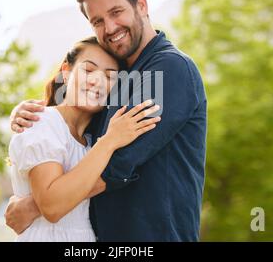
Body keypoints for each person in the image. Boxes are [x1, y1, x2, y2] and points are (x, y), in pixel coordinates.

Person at [6, 0, 207, 241]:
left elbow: (119, 161)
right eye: (97, 21)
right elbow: (81, 131)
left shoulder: (168, 68)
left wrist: (36, 204)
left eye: (116, 12)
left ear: (142, 5)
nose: (109, 28)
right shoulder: (121, 75)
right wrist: (33, 112)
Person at [8, 36, 160, 241]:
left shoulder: (89, 139)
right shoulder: (43, 122)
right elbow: (52, 207)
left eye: (110, 76)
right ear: (66, 71)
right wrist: (110, 140)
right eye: (88, 70)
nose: (97, 80)